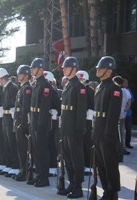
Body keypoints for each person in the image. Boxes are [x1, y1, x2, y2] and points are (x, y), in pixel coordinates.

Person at [92, 56, 122, 199]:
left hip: (107, 133)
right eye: (98, 68)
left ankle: (113, 192)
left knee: (110, 164)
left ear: (109, 71)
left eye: (101, 68)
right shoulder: (99, 87)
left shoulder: (114, 88)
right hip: (98, 130)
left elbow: (113, 113)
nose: (98, 70)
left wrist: (108, 133)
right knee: (101, 165)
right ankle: (106, 190)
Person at [57, 57, 87, 198]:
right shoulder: (68, 85)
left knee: (76, 159)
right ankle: (71, 183)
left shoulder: (79, 87)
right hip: (65, 129)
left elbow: (81, 112)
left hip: (74, 130)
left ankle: (78, 187)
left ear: (74, 68)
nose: (63, 69)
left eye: (66, 67)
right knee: (67, 159)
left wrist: (79, 131)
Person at [29, 58, 61, 187]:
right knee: (37, 151)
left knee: (42, 151)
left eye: (34, 68)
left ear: (41, 70)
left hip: (41, 123)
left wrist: (40, 125)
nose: (31, 70)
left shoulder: (45, 86)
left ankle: (44, 178)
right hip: (35, 120)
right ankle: (40, 176)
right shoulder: (36, 84)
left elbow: (44, 107)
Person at [0, 68, 19, 177]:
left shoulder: (12, 88)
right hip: (5, 117)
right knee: (7, 142)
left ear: (2, 78)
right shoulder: (5, 88)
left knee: (12, 142)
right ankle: (9, 165)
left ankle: (15, 166)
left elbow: (15, 104)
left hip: (10, 117)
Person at [14, 65, 32, 181]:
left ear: (26, 75)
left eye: (20, 74)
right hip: (18, 122)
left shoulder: (27, 89)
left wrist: (24, 125)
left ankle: (25, 171)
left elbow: (26, 108)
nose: (18, 76)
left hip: (22, 123)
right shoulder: (21, 88)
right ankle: (22, 169)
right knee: (20, 149)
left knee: (24, 149)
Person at [76, 70, 95, 174]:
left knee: (87, 144)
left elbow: (92, 107)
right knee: (80, 144)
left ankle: (89, 166)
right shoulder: (78, 89)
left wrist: (88, 119)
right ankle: (82, 164)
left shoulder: (89, 90)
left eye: (81, 79)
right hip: (80, 120)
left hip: (87, 121)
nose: (79, 81)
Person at [112, 76, 131, 161]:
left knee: (116, 135)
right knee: (121, 134)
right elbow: (129, 103)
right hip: (122, 114)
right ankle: (121, 152)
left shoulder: (117, 90)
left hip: (116, 115)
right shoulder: (126, 91)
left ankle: (118, 154)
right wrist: (124, 110)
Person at [123, 78, 134, 149]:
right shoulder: (118, 90)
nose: (125, 85)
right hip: (120, 114)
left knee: (128, 129)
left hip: (128, 113)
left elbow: (132, 100)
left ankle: (128, 143)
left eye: (126, 83)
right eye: (124, 83)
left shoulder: (129, 91)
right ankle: (122, 145)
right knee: (120, 130)